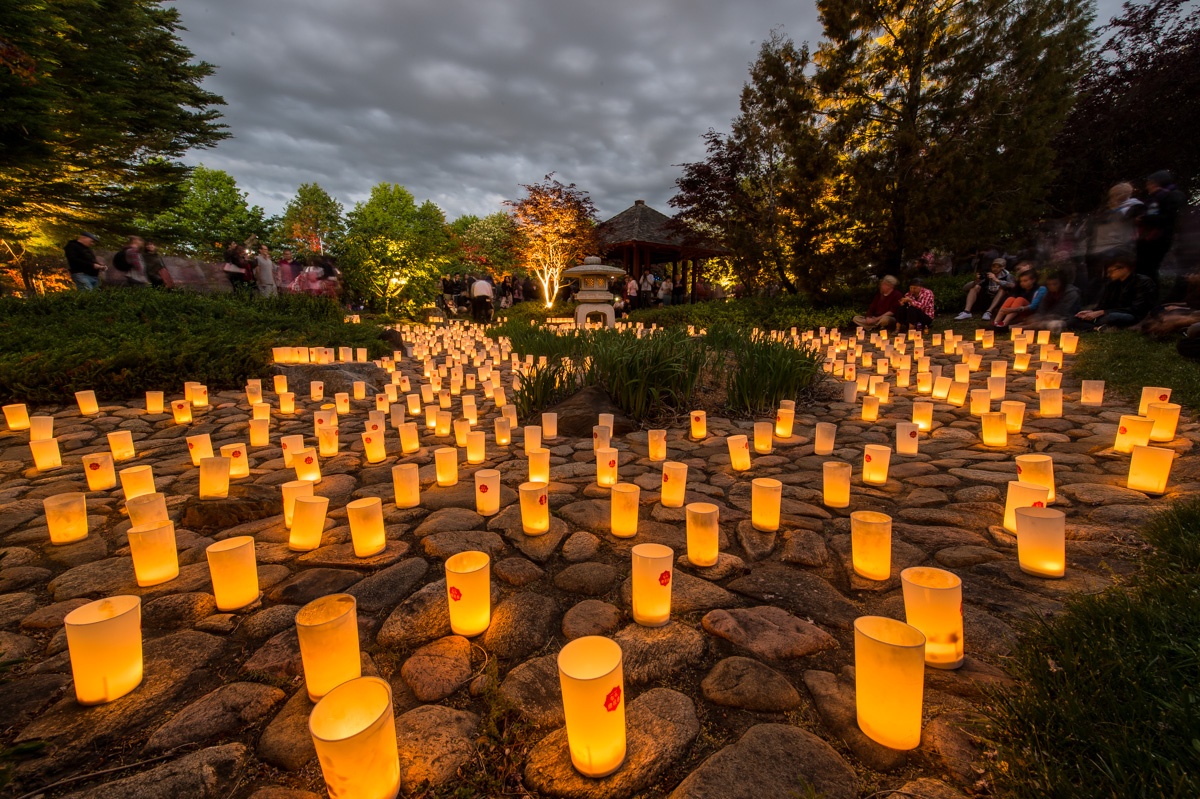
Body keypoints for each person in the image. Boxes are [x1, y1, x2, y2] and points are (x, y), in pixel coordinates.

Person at [1085, 183, 1142, 300]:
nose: (1113, 197)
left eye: (1116, 194)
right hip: (1103, 247)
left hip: (1119, 247)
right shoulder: (1110, 209)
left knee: (1114, 277)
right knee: (1103, 277)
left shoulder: (1133, 206)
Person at [1071, 259, 1157, 331]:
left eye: (1111, 271)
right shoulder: (1112, 284)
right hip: (1109, 313)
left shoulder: (1143, 282)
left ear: (1125, 269)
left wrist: (1102, 312)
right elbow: (1103, 305)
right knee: (1074, 319)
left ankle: (1097, 325)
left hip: (1132, 315)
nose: (1109, 274)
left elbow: (1137, 308)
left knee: (1112, 317)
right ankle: (1098, 328)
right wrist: (1091, 312)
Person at [1136, 170, 1186, 285]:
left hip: (1158, 238)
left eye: (1149, 183)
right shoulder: (1153, 198)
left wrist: (1144, 219)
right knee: (1143, 268)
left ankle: (1150, 291)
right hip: (1146, 238)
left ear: (1157, 183)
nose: (1147, 187)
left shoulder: (1172, 196)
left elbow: (1169, 217)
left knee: (1149, 268)